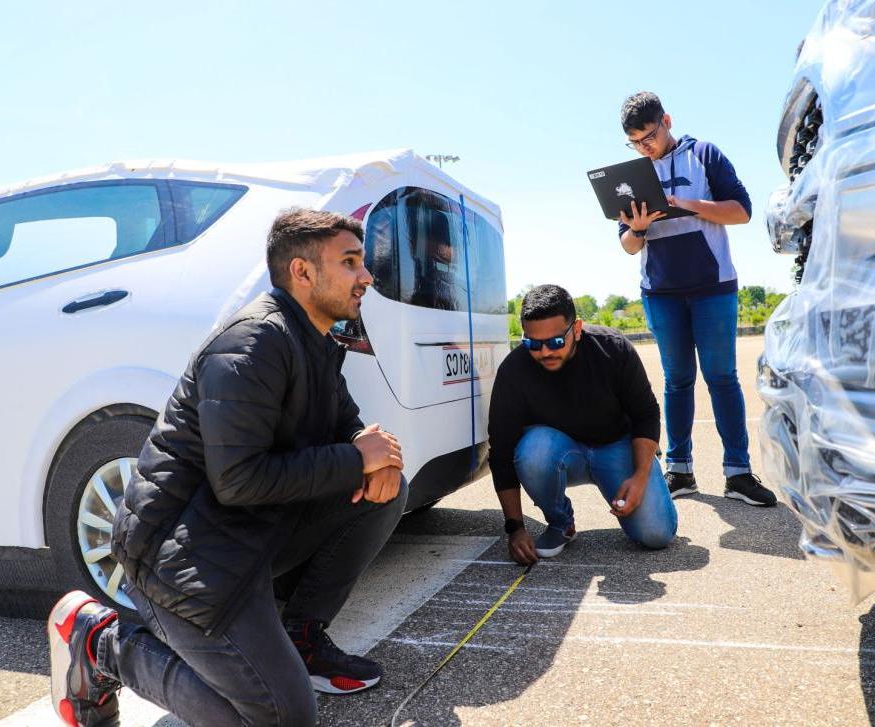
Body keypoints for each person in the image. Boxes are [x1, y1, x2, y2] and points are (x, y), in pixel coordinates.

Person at [46, 209, 407, 727]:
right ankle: (103, 644)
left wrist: (378, 458)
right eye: (350, 263)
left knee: (389, 493)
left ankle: (300, 637)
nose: (366, 277)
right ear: (302, 273)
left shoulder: (316, 342)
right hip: (181, 557)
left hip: (248, 535)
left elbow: (350, 427)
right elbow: (239, 480)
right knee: (282, 718)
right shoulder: (252, 344)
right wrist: (357, 459)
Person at [616, 91, 777, 507]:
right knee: (677, 380)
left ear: (666, 120)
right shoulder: (633, 174)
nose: (644, 147)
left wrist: (684, 205)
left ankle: (738, 473)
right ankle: (680, 470)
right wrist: (637, 227)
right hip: (660, 292)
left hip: (712, 286)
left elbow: (740, 211)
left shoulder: (704, 154)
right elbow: (629, 247)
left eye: (648, 136)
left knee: (722, 378)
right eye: (635, 142)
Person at [489, 284, 678, 564]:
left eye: (554, 342)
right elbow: (501, 452)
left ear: (576, 329)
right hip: (561, 453)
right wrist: (515, 528)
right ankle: (560, 522)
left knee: (656, 535)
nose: (544, 352)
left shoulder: (613, 349)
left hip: (617, 445)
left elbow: (646, 414)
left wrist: (639, 477)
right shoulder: (513, 372)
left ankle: (647, 468)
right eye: (532, 343)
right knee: (533, 450)